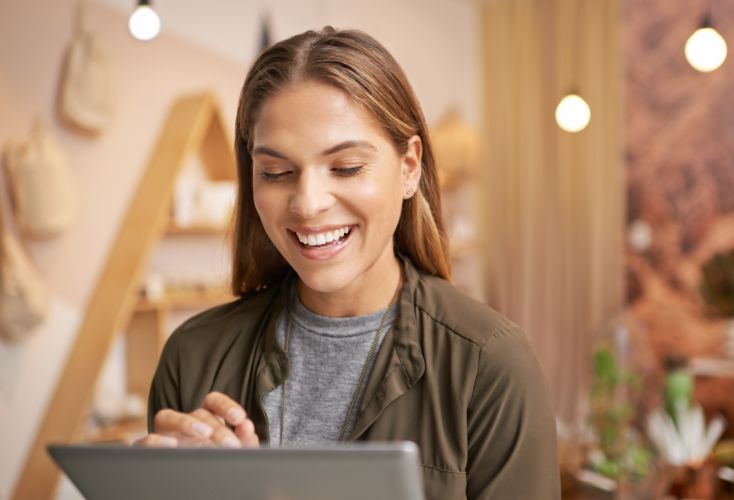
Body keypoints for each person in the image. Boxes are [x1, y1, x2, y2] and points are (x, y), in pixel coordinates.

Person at [136, 27, 560, 499]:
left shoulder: (490, 365)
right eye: (276, 173)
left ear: (409, 167)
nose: (308, 203)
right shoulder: (192, 357)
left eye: (346, 167)